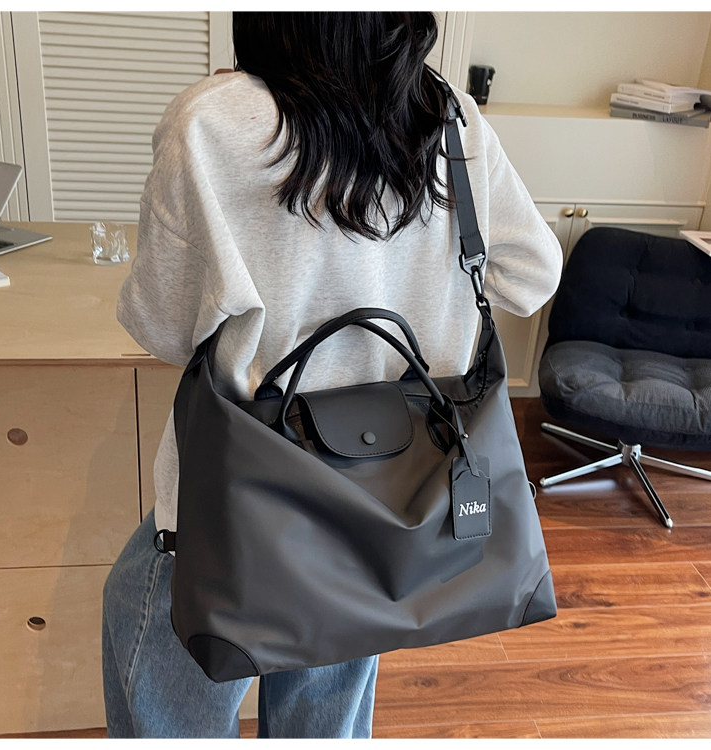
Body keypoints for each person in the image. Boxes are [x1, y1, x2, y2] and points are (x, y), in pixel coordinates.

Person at [102, 11, 562, 739]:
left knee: (151, 622)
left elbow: (161, 326)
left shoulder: (212, 121)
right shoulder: (445, 116)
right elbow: (532, 275)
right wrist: (415, 281)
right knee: (330, 684)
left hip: (244, 488)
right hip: (390, 498)